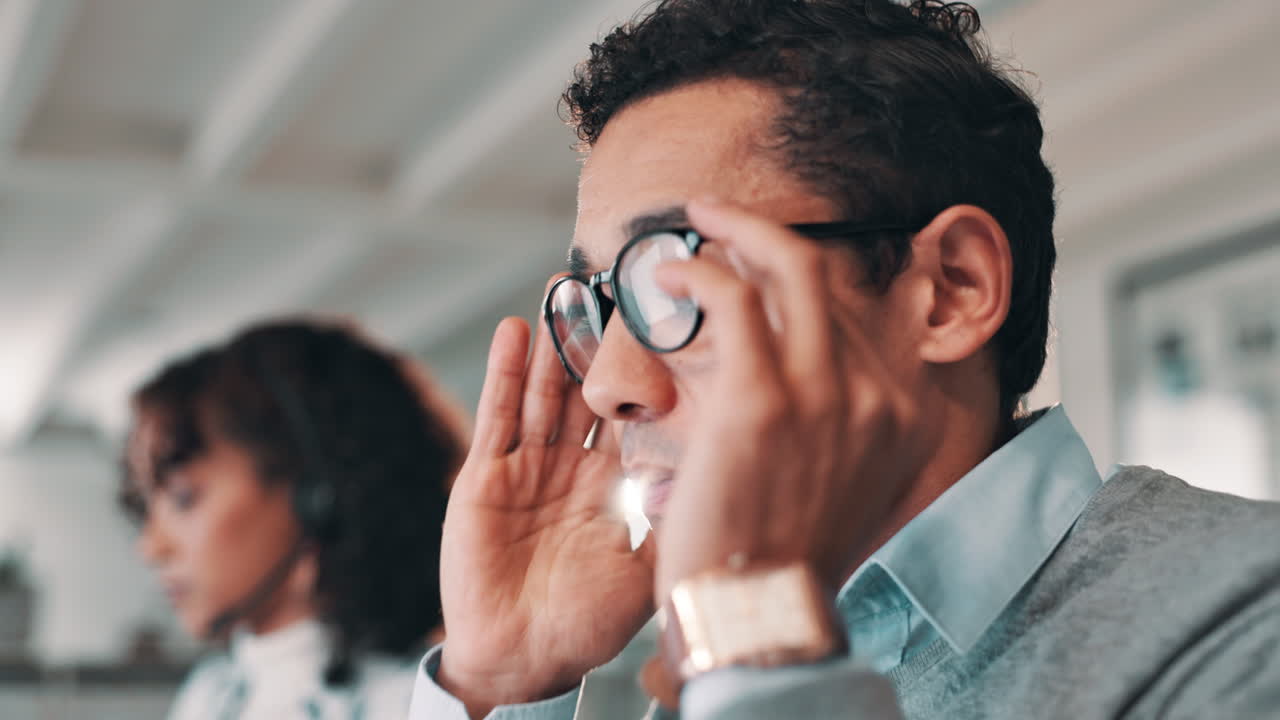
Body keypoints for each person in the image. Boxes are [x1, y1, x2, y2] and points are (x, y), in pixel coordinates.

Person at [409, 1, 1280, 718]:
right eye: (600, 301)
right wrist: (499, 685)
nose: (606, 384)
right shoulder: (717, 648)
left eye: (675, 281)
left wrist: (759, 647)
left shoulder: (1244, 628)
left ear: (951, 288)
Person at [120, 319, 466, 719]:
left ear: (316, 499)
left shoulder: (420, 702)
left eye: (184, 499)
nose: (151, 548)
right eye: (149, 506)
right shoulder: (207, 695)